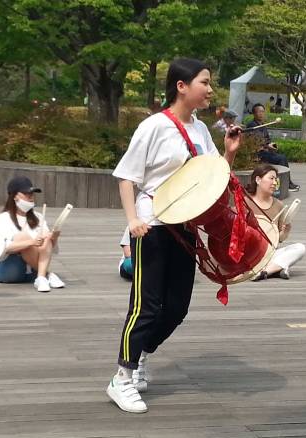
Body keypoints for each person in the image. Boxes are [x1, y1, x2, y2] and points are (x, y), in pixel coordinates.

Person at [107, 57, 241, 414]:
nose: (210, 89)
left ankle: (141, 355)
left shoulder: (200, 131)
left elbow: (213, 180)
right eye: (204, 82)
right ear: (181, 86)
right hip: (151, 224)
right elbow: (126, 176)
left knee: (177, 307)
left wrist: (227, 153)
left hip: (186, 226)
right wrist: (133, 220)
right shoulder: (153, 127)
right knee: (146, 305)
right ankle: (122, 376)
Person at [0, 176, 64, 292]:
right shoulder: (3, 218)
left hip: (32, 270)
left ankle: (41, 277)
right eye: (26, 193)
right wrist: (31, 242)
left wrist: (53, 238)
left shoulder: (39, 217)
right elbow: (1, 248)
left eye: (32, 194)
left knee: (46, 234)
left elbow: (51, 250)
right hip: (11, 268)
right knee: (23, 237)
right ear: (14, 196)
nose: (31, 197)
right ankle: (46, 275)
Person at [244, 164, 306, 281]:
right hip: (249, 255)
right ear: (258, 180)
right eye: (271, 178)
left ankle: (265, 271)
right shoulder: (245, 202)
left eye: (276, 179)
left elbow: (279, 239)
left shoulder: (279, 205)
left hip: (269, 253)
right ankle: (279, 268)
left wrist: (286, 230)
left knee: (300, 248)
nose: (274, 182)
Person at [246, 104, 300, 191]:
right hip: (258, 153)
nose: (261, 114)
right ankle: (287, 185)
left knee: (282, 157)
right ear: (254, 113)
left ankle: (287, 182)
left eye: (262, 112)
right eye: (259, 112)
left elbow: (267, 140)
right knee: (281, 158)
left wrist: (271, 145)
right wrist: (267, 146)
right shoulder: (252, 125)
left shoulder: (263, 125)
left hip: (265, 151)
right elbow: (254, 142)